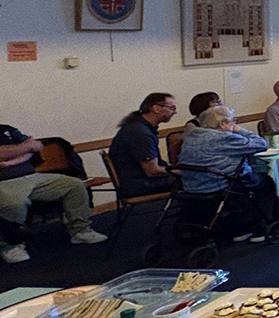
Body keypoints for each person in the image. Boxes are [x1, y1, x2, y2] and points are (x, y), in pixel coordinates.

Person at [0, 122, 104, 261]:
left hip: (32, 176)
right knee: (14, 205)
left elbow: (36, 146)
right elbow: (23, 148)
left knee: (74, 185)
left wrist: (11, 161)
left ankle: (80, 231)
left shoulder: (6, 129)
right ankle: (10, 246)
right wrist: (24, 148)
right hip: (5, 182)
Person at [178, 106, 275, 240]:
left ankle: (242, 229)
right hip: (217, 184)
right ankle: (259, 228)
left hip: (192, 185)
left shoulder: (191, 136)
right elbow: (260, 144)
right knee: (265, 182)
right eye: (232, 121)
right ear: (222, 124)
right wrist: (238, 129)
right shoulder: (224, 138)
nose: (234, 124)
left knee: (241, 182)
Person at [110, 92, 178, 197]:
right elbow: (153, 171)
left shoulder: (138, 126)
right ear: (156, 108)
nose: (175, 112)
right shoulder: (140, 133)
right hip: (139, 184)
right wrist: (181, 171)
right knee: (196, 179)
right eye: (172, 108)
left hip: (134, 180)